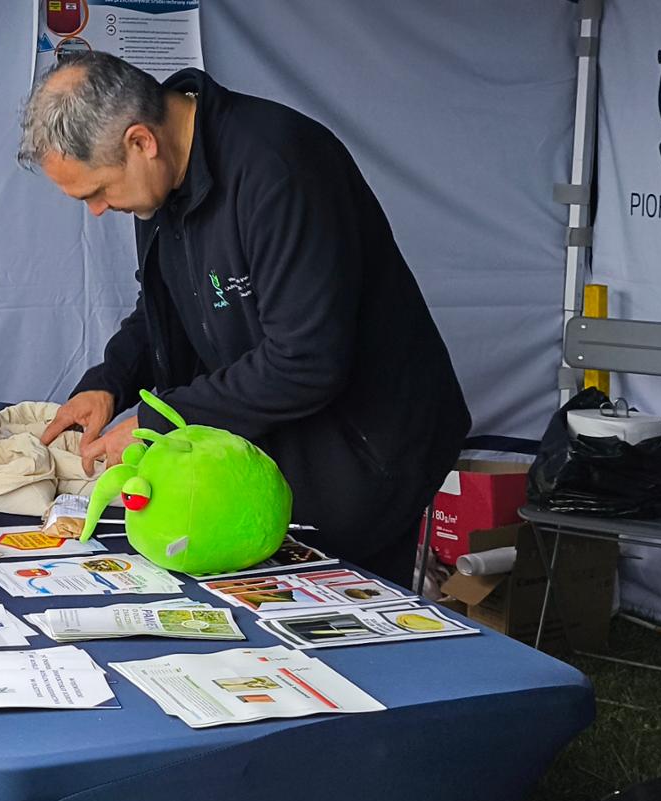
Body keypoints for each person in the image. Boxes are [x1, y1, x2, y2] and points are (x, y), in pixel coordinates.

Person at [26, 53, 470, 582]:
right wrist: (110, 382)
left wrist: (158, 419)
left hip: (367, 448)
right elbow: (163, 305)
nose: (97, 210)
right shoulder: (160, 183)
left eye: (98, 191)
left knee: (333, 609)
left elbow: (306, 360)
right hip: (273, 439)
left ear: (141, 142)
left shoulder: (280, 167)